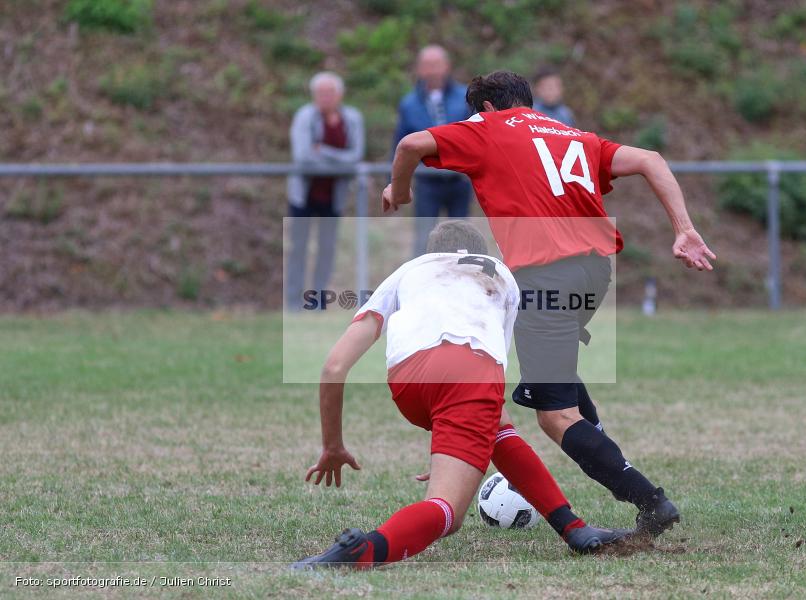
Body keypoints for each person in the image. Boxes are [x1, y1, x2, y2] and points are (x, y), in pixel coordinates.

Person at [383, 71, 717, 539]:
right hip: (595, 272)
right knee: (558, 378)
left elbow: (410, 145)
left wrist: (399, 189)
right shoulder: (574, 135)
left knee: (556, 416)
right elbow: (651, 160)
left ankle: (649, 500)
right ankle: (613, 464)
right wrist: (683, 227)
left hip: (546, 276)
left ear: (486, 108)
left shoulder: (486, 128)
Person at [292, 221, 630, 570]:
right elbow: (492, 362)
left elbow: (334, 367)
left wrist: (332, 445)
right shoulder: (502, 276)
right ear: (481, 254)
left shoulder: (408, 271)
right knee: (447, 512)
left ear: (431, 255)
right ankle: (363, 551)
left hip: (407, 382)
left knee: (495, 426)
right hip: (470, 374)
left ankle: (573, 528)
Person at [286, 72, 365, 311]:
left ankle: (317, 303)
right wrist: (337, 159)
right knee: (298, 248)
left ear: (339, 95)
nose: (325, 98)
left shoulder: (351, 119)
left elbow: (355, 156)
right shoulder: (304, 117)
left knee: (327, 249)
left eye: (329, 93)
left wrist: (323, 150)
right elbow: (303, 156)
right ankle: (292, 302)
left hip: (333, 196)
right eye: (320, 93)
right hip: (304, 196)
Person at [393, 45, 472, 256]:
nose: (432, 71)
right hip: (427, 181)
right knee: (424, 238)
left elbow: (474, 134)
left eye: (436, 65)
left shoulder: (464, 97)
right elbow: (401, 142)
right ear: (419, 69)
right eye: (427, 65)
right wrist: (395, 181)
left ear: (447, 66)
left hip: (458, 179)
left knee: (460, 238)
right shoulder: (409, 104)